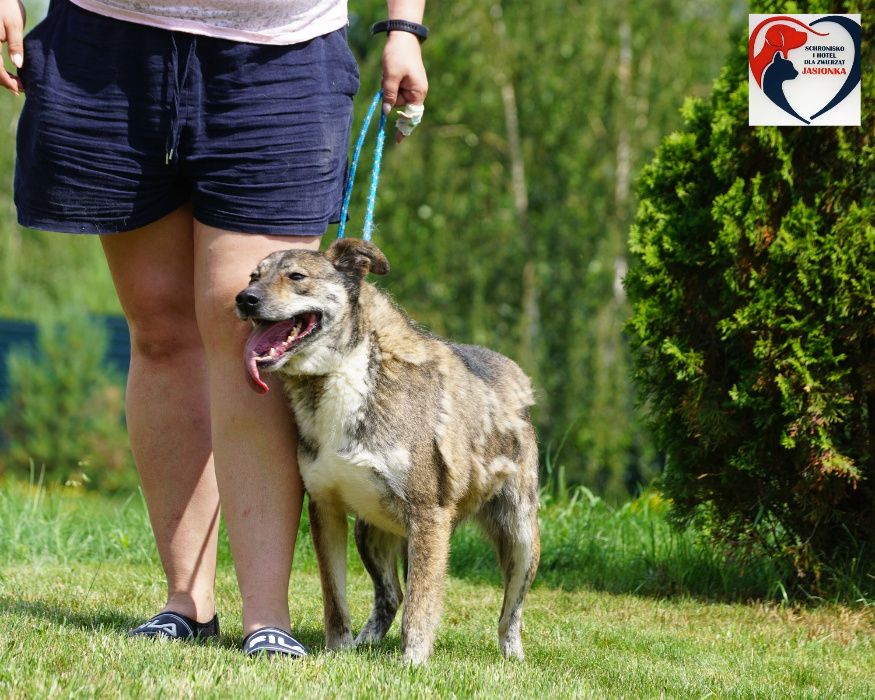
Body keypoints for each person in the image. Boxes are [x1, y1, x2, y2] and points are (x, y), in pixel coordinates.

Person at [1, 0, 427, 657]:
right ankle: (186, 603)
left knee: (246, 335)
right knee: (160, 329)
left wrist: (403, 28)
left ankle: (268, 619)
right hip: (109, 45)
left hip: (276, 55)